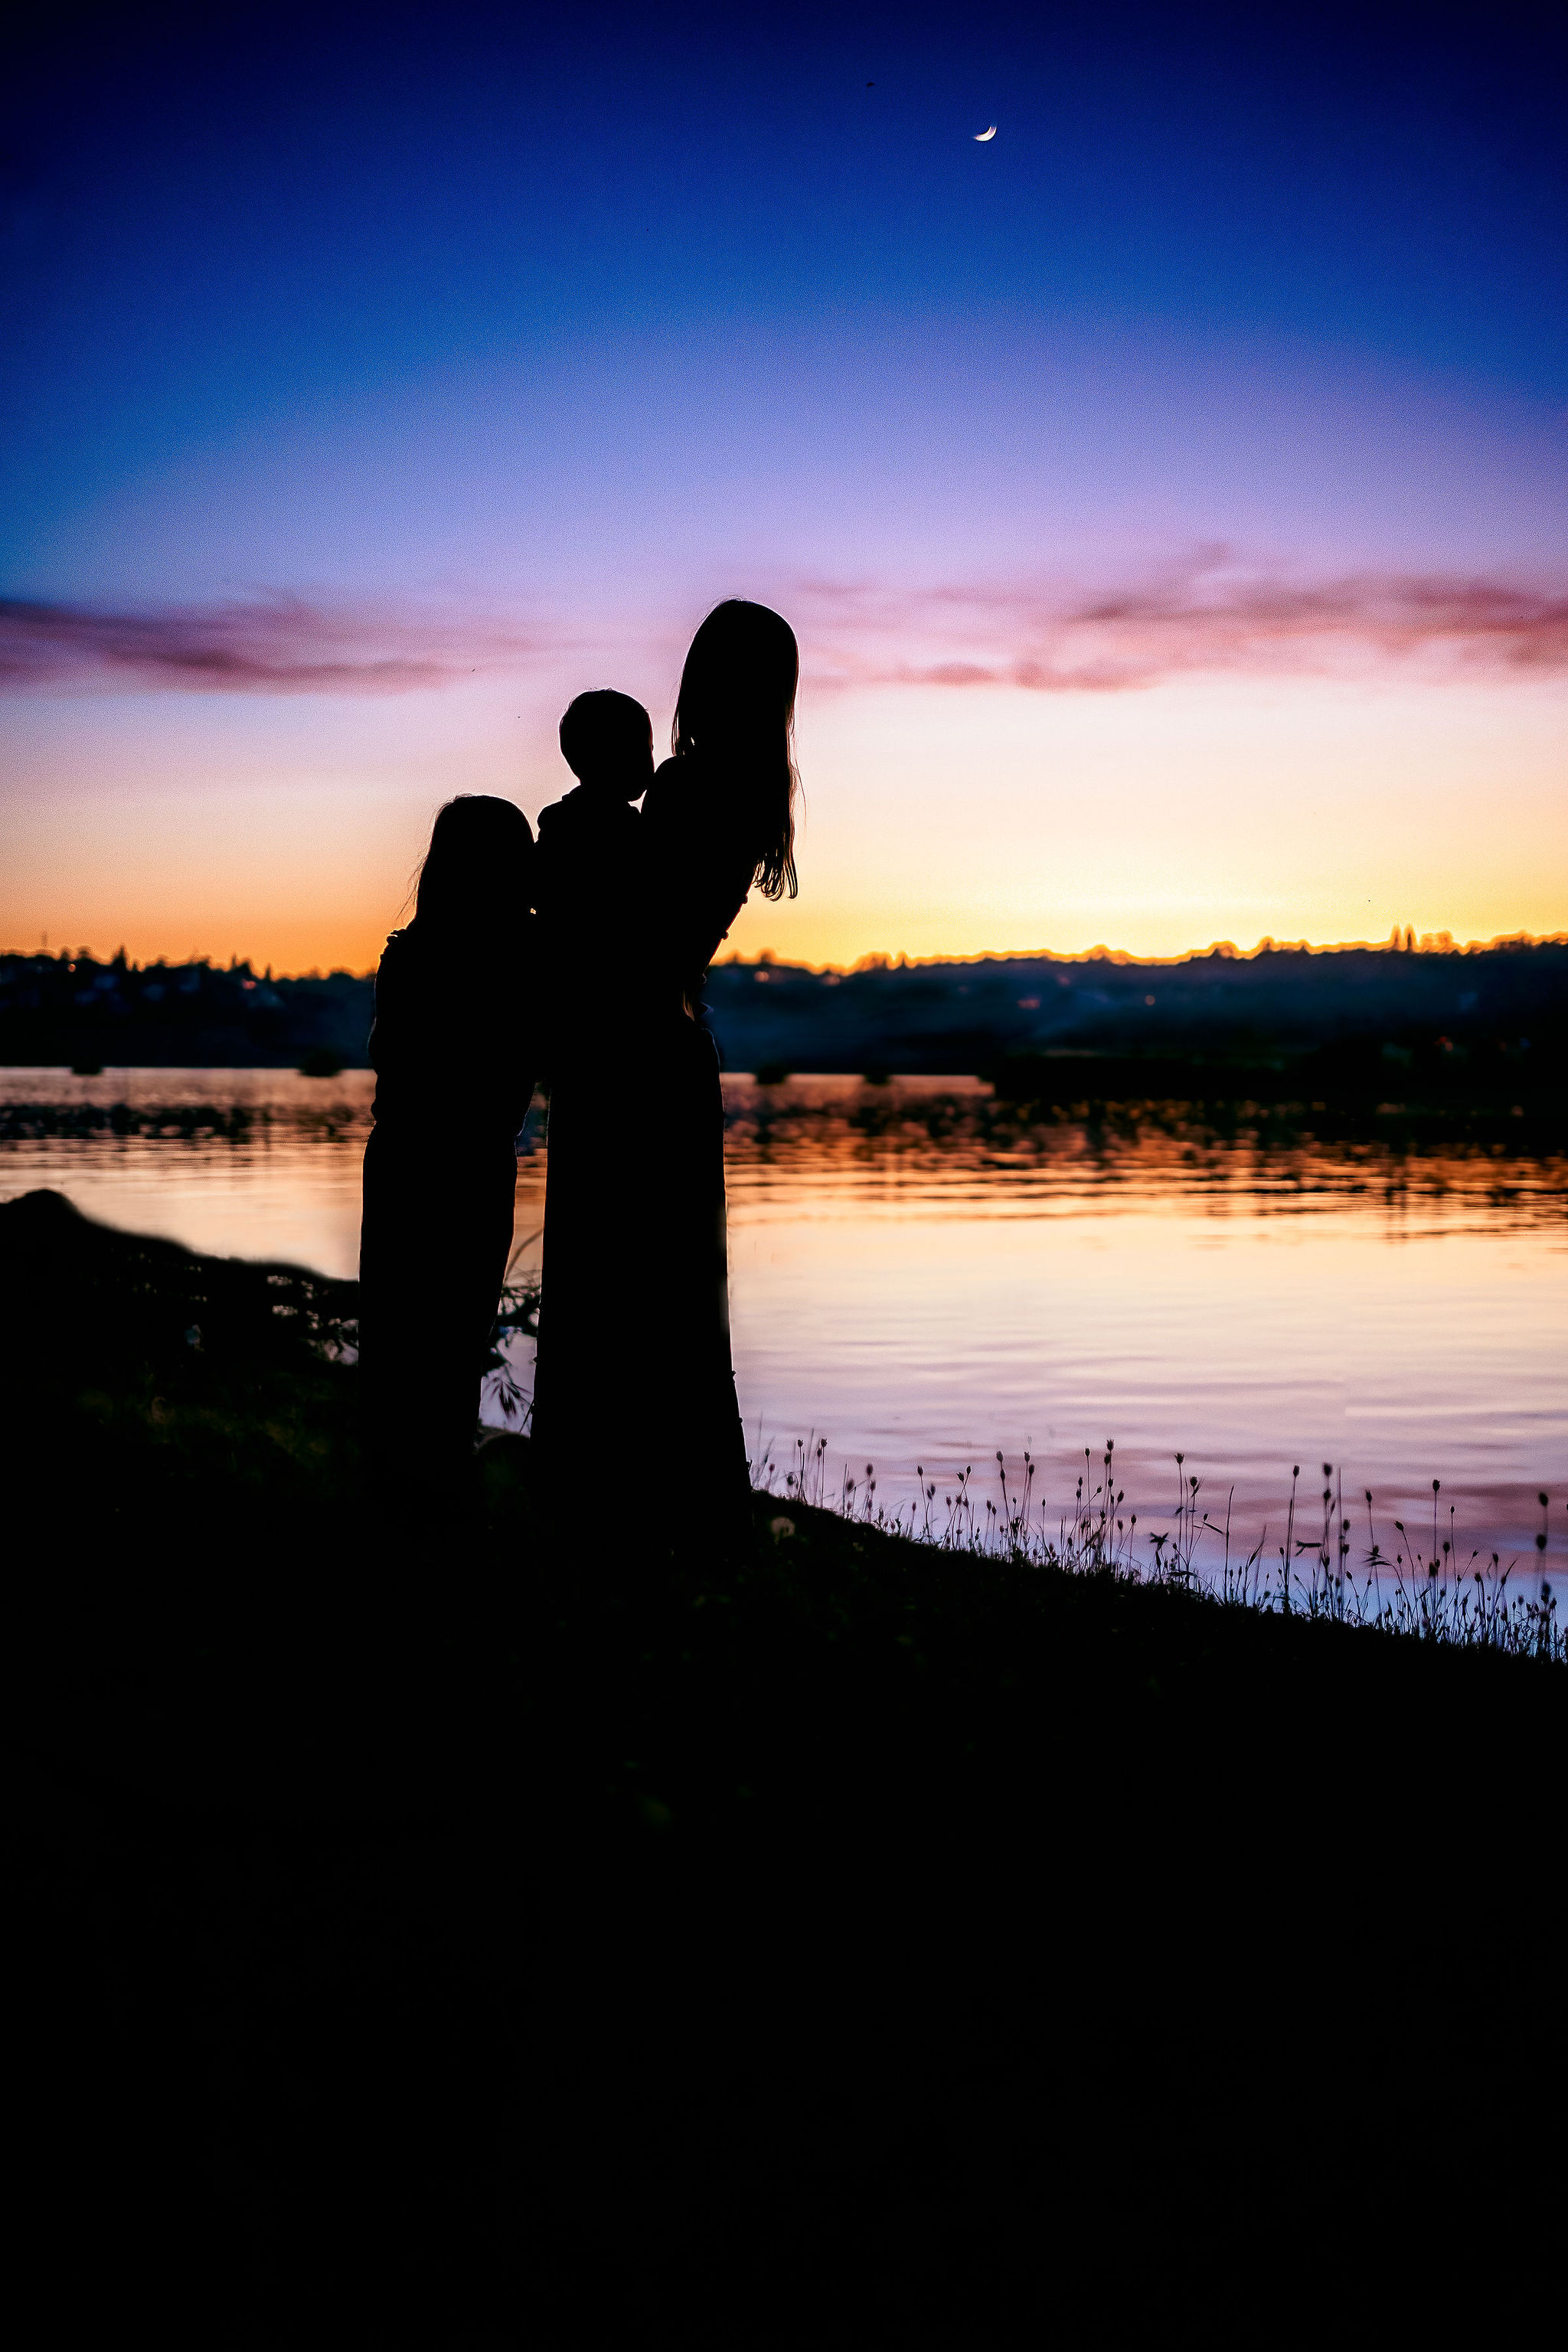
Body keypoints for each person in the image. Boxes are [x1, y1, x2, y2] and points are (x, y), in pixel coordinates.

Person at [639, 599, 800, 1516]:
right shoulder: (751, 789)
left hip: (639, 1050)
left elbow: (636, 924)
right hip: (680, 1047)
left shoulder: (686, 786)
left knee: (633, 1277)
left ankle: (639, 1487)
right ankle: (695, 1488)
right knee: (685, 1290)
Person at [358, 794, 538, 1511]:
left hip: (403, 1157)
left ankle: (394, 1488)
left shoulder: (410, 953)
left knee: (399, 1333)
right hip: (469, 1165)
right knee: (455, 1334)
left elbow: (387, 1055)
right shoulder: (525, 953)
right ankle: (436, 1489)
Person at [529, 691, 655, 1478]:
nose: (651, 759)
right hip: (617, 1059)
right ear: (601, 758)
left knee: (583, 1247)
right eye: (639, 746)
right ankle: (603, 1446)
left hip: (576, 1062)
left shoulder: (556, 837)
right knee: (613, 1252)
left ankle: (575, 1435)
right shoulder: (625, 842)